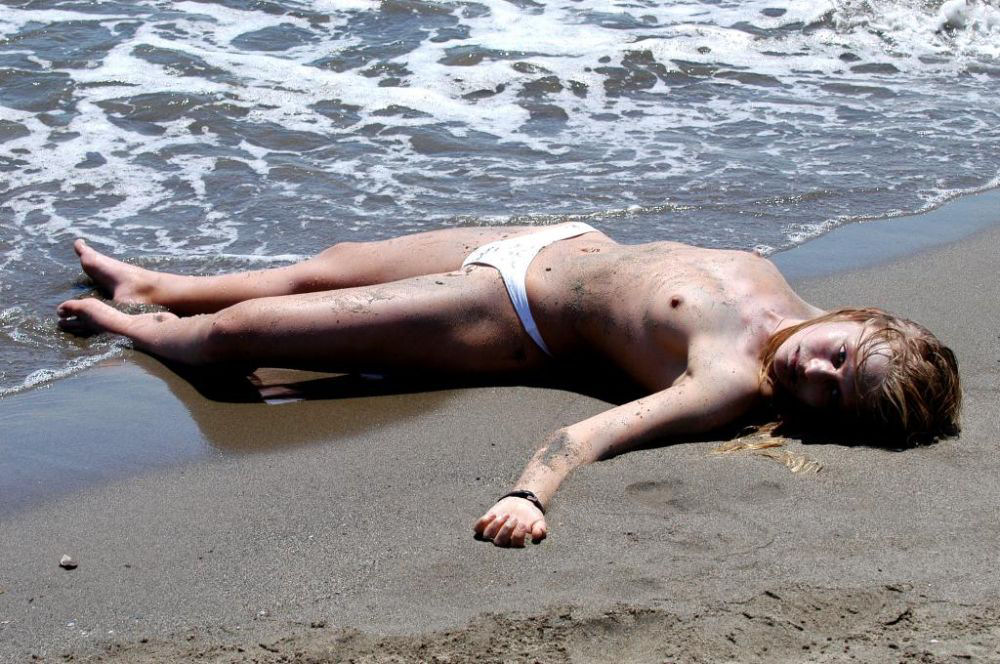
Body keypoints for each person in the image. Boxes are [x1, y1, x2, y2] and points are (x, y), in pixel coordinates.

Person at [57, 222, 961, 547]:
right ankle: (156, 286)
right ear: (867, 319)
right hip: (549, 240)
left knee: (242, 338)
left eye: (831, 395)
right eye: (842, 358)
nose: (814, 370)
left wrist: (530, 494)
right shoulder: (793, 301)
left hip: (508, 316)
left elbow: (596, 434)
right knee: (326, 265)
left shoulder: (728, 379)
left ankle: (141, 328)